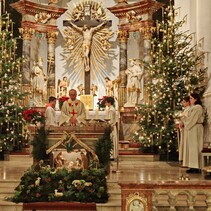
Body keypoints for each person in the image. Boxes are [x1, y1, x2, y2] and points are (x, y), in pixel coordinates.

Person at [184, 93, 204, 173]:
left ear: (196, 99)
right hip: (192, 128)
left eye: (191, 98)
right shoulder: (193, 107)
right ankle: (192, 166)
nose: (190, 100)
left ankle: (196, 167)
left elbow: (192, 119)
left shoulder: (198, 107)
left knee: (195, 147)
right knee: (192, 147)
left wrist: (186, 122)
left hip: (195, 128)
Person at [177, 96, 191, 164]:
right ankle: (183, 160)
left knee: (186, 144)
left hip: (186, 128)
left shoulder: (189, 109)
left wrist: (183, 123)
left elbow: (187, 119)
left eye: (184, 102)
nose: (183, 103)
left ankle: (186, 161)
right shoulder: (185, 109)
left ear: (188, 102)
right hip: (183, 129)